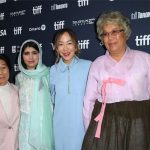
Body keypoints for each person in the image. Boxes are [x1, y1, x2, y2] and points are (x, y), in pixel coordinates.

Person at [82, 10, 150, 150]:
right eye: (105, 34)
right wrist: (90, 129)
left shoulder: (145, 59)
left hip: (139, 124)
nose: (110, 37)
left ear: (125, 32)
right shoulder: (97, 64)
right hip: (107, 127)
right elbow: (88, 101)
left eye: (115, 31)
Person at [49, 28, 91, 150]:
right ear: (56, 48)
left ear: (76, 46)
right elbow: (52, 99)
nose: (65, 48)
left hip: (82, 126)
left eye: (69, 43)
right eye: (60, 44)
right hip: (59, 126)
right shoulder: (52, 70)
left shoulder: (88, 66)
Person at [15, 39, 54, 150]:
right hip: (24, 127)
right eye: (27, 53)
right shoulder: (19, 77)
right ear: (22, 56)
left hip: (43, 126)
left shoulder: (48, 74)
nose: (31, 57)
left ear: (39, 55)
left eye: (34, 53)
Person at [0, 54, 20, 150]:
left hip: (17, 145)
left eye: (3, 67)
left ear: (9, 69)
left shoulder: (17, 90)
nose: (1, 72)